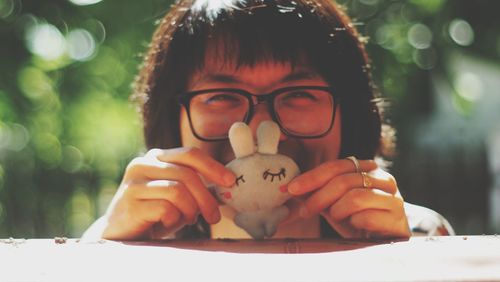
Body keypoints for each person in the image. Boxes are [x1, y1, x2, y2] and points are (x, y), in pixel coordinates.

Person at [82, 0, 453, 241]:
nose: (261, 127)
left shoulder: (418, 236)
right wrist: (105, 252)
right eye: (222, 96)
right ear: (172, 118)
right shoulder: (128, 244)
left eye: (297, 94)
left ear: (350, 114)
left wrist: (394, 262)